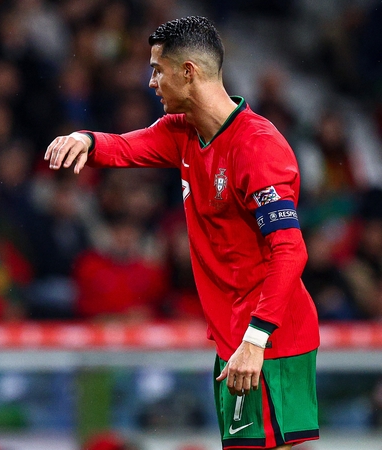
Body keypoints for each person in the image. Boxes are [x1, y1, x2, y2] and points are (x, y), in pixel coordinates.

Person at [44, 16, 319, 450]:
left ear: (187, 71)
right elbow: (126, 146)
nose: (151, 81)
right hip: (235, 337)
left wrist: (256, 338)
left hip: (271, 338)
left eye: (157, 69)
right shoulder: (182, 133)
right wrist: (84, 139)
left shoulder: (257, 146)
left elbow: (290, 250)